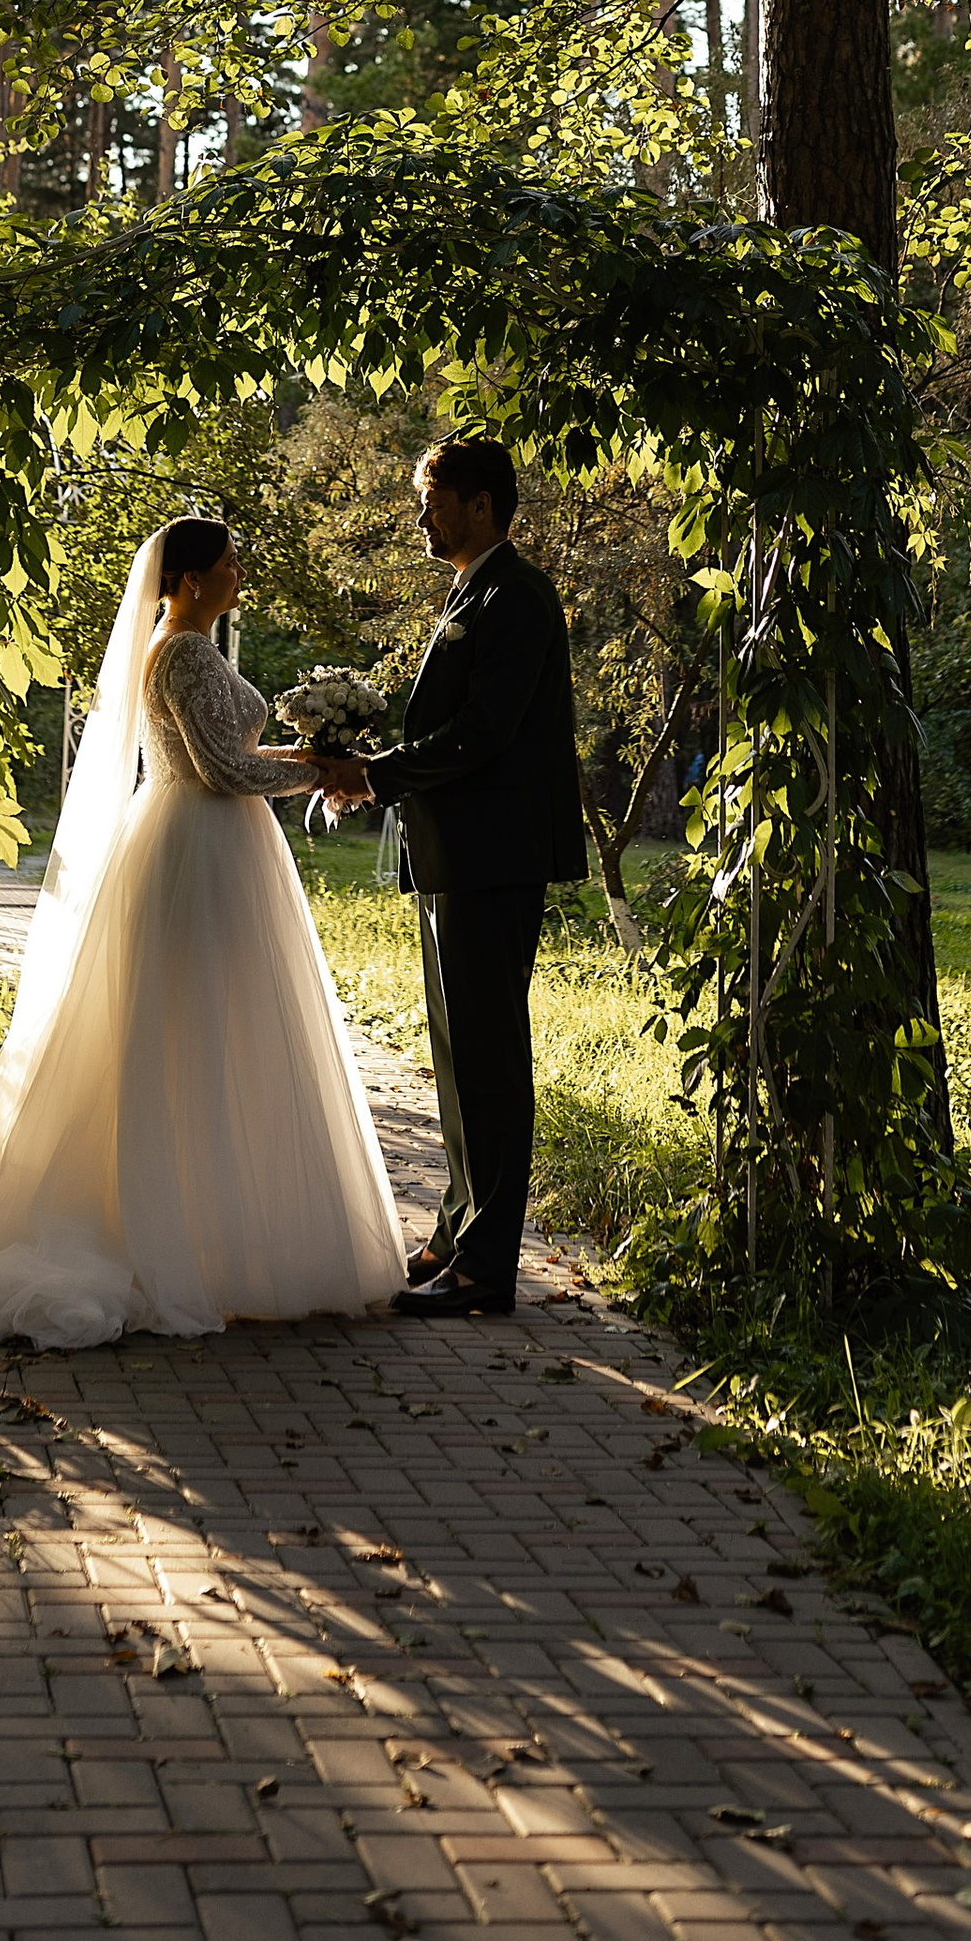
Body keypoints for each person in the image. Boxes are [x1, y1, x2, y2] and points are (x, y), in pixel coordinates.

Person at [0, 516, 406, 1372]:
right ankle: (184, 1236)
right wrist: (322, 771)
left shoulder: (182, 646)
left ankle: (212, 1225)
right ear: (192, 580)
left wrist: (315, 753)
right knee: (196, 1032)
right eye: (231, 564)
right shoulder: (185, 653)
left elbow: (228, 751)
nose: (241, 574)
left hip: (207, 842)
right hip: (201, 849)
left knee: (211, 1031)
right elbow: (222, 772)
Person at [320, 436, 584, 1317]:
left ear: (480, 504)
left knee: (491, 1059)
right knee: (455, 1055)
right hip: (454, 857)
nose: (421, 516)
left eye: (433, 498)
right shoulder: (474, 589)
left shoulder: (519, 597)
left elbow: (484, 734)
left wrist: (377, 772)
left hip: (495, 857)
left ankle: (487, 1270)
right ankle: (457, 1227)